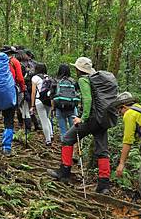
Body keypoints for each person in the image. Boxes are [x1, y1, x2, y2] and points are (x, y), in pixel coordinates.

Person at [49, 57, 118, 194]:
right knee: (102, 150)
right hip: (102, 119)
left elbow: (87, 99)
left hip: (91, 119)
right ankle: (104, 185)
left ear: (79, 69)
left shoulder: (84, 80)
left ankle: (64, 172)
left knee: (67, 139)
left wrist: (82, 118)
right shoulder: (98, 80)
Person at [51, 64, 79, 140]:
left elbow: (52, 96)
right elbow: (76, 94)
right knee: (74, 130)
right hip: (72, 108)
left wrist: (53, 108)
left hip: (59, 108)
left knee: (63, 131)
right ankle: (73, 148)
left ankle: (65, 149)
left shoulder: (55, 81)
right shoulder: (73, 81)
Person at [30, 63, 54, 146]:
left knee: (43, 120)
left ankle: (48, 140)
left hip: (39, 100)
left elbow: (33, 92)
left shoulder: (35, 78)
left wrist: (32, 106)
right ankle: (51, 134)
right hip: (48, 100)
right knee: (46, 117)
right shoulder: (49, 77)